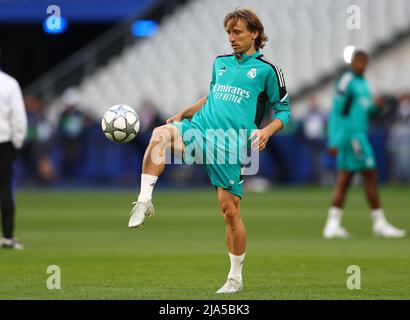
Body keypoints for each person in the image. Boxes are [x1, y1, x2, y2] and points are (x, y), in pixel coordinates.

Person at [128, 8, 291, 293]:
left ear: (254, 33)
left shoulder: (267, 71)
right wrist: (184, 112)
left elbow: (284, 111)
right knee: (159, 136)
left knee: (230, 212)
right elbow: (212, 95)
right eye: (228, 32)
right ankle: (144, 200)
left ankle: (235, 279)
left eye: (237, 32)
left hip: (229, 145)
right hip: (200, 130)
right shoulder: (220, 63)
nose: (231, 38)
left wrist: (267, 130)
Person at [323, 48, 406, 239]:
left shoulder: (363, 84)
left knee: (346, 180)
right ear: (352, 62)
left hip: (358, 136)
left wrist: (377, 107)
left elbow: (367, 111)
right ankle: (379, 223)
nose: (360, 64)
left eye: (363, 61)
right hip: (352, 137)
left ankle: (332, 224)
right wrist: (334, 139)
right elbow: (337, 110)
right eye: (357, 61)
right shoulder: (347, 81)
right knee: (370, 176)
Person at [0, 69, 27, 249]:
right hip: (4, 143)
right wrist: (17, 142)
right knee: (4, 190)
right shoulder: (9, 83)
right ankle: (8, 237)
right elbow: (18, 116)